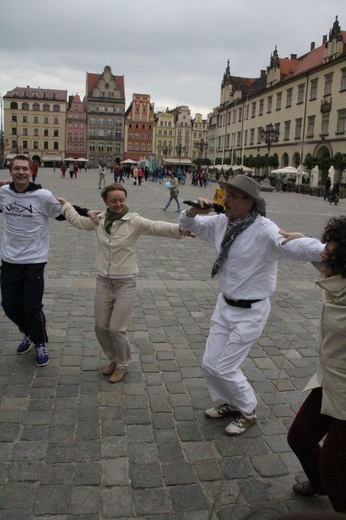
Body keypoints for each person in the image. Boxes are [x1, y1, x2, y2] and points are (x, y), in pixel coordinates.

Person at [178, 175, 324, 436]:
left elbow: (297, 247)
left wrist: (328, 251)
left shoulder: (264, 229)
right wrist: (193, 210)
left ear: (249, 201)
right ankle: (231, 403)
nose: (225, 199)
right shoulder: (221, 222)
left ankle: (248, 410)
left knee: (225, 367)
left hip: (250, 311)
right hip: (225, 305)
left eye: (232, 196)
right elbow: (187, 223)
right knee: (209, 364)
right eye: (224, 194)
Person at [56, 183, 193, 384]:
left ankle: (122, 364)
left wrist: (179, 229)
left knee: (116, 328)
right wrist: (66, 205)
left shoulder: (133, 220)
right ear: (105, 202)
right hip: (104, 281)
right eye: (113, 200)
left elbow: (155, 226)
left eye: (121, 200)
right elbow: (77, 221)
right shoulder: (100, 220)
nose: (118, 204)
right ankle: (113, 358)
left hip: (125, 282)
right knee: (101, 326)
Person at [0, 155, 98, 368]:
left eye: (24, 168)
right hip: (9, 259)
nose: (21, 172)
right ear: (10, 171)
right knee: (9, 306)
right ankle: (28, 331)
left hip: (34, 259)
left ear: (30, 170)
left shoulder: (42, 196)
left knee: (31, 306)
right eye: (16, 168)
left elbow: (63, 211)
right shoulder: (3, 193)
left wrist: (86, 211)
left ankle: (39, 342)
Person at [280, 216, 346, 514]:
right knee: (300, 437)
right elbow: (316, 256)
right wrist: (300, 238)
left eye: (329, 255)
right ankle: (318, 483)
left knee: (333, 467)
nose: (323, 257)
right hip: (330, 380)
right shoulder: (336, 278)